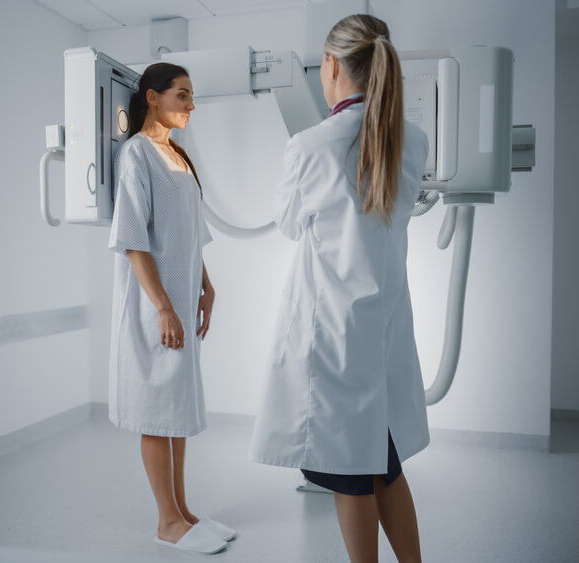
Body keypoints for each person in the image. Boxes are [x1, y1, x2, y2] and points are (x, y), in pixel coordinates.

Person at [250, 15, 431, 563]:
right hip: (386, 325)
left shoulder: (309, 147)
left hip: (331, 333)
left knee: (353, 473)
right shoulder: (413, 143)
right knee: (386, 465)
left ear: (330, 67)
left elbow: (286, 221)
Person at [107, 62, 234, 555]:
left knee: (176, 410)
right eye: (182, 95)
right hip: (152, 306)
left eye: (192, 96)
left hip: (180, 300)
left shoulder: (177, 156)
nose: (190, 105)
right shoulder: (137, 155)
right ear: (153, 98)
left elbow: (192, 234)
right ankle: (166, 522)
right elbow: (134, 241)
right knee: (157, 412)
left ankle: (184, 511)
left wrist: (206, 286)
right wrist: (162, 306)